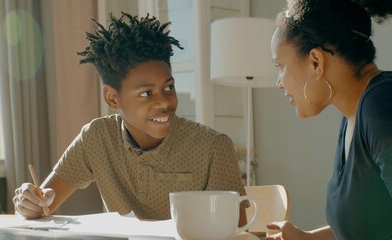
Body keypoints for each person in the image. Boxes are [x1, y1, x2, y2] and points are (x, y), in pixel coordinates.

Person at [13, 12, 248, 225]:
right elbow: (45, 203)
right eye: (146, 93)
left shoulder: (213, 147)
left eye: (169, 88)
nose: (165, 102)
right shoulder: (96, 138)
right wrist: (31, 202)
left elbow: (238, 233)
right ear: (113, 98)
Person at [266, 0, 392, 239]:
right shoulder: (356, 113)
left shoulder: (386, 106)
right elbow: (375, 223)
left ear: (316, 61)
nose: (279, 83)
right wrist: (307, 238)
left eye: (280, 66)